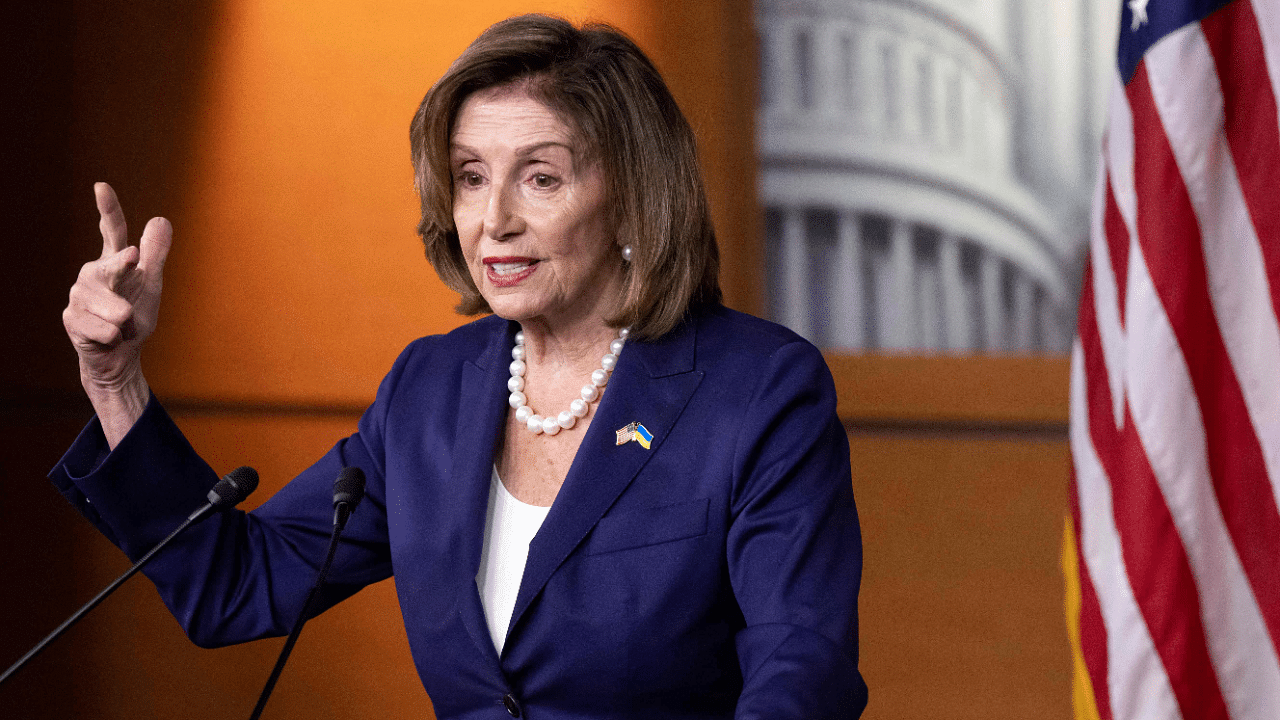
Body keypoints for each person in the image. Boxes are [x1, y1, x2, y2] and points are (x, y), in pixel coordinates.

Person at [54, 14, 866, 719]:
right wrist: (116, 380)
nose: (493, 220)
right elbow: (237, 586)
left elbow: (803, 672)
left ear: (632, 195)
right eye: (471, 178)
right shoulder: (429, 391)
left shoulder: (756, 390)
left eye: (540, 178)